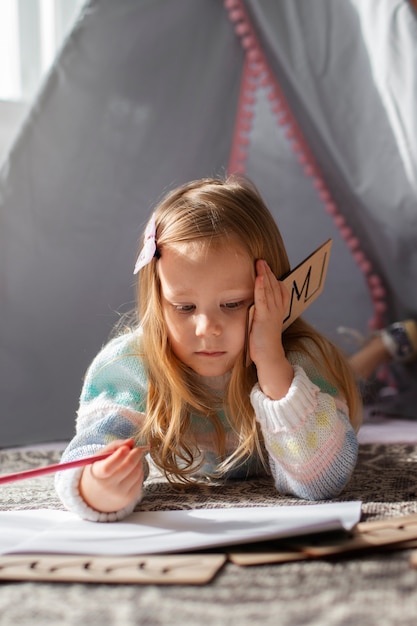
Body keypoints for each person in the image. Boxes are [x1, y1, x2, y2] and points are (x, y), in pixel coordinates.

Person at [56, 175, 366, 522]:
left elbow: (322, 482)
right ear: (157, 302)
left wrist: (271, 364)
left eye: (233, 303)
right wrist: (98, 486)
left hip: (300, 370)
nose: (207, 329)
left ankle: (385, 345)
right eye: (185, 308)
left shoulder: (300, 361)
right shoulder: (129, 367)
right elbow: (87, 452)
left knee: (363, 374)